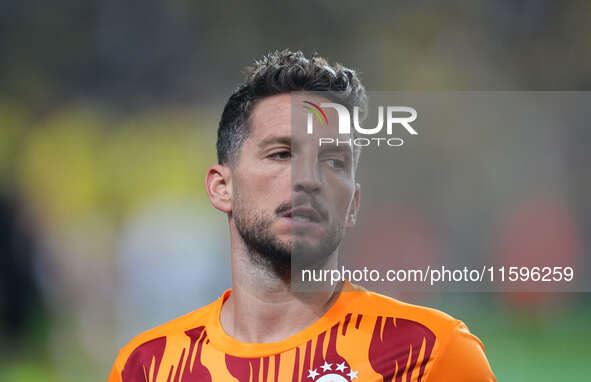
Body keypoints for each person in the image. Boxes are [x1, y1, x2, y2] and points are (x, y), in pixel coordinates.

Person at [108, 49, 496, 382]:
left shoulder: (429, 353)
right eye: (281, 154)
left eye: (333, 161)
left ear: (353, 205)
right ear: (221, 187)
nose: (308, 179)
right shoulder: (148, 367)